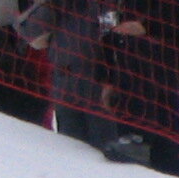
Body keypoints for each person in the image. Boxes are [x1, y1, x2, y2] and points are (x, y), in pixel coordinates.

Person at [94, 0, 179, 178]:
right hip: (129, 80)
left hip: (167, 75)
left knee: (168, 148)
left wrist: (147, 27)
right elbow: (111, 35)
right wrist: (108, 79)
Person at [17, 0, 118, 151]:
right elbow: (29, 31)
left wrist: (112, 80)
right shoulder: (57, 5)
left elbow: (115, 41)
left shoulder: (104, 6)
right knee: (70, 149)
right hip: (63, 80)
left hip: (97, 80)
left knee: (104, 148)